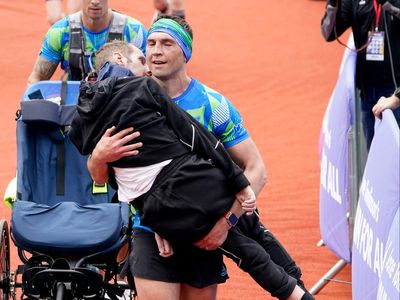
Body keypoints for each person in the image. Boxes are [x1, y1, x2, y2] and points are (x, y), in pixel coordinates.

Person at [88, 17, 311, 300]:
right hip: (152, 230)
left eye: (167, 44)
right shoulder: (127, 100)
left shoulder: (212, 104)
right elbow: (100, 177)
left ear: (186, 53)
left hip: (207, 228)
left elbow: (256, 170)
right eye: (151, 44)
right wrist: (98, 155)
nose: (156, 51)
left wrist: (226, 223)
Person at [321, 0, 400, 149]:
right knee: (375, 157)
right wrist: (332, 4)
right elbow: (328, 33)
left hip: (396, 93)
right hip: (368, 93)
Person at [28, 0, 147, 84]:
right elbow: (36, 79)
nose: (95, 1)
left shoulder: (134, 31)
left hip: (120, 106)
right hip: (75, 107)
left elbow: (151, 76)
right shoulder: (60, 31)